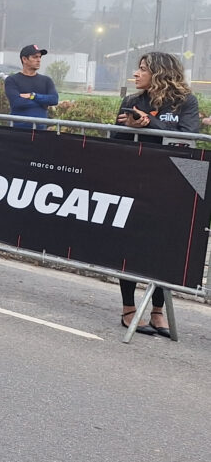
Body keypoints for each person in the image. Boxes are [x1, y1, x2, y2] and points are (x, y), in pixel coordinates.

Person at [112, 52, 199, 338]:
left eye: (142, 69)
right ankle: (128, 308)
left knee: (167, 246)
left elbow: (189, 137)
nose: (136, 74)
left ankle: (158, 311)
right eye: (137, 69)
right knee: (131, 242)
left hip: (173, 182)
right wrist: (127, 127)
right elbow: (115, 141)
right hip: (136, 180)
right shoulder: (131, 102)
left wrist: (150, 125)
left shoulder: (186, 101)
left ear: (160, 73)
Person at [4, 44, 59, 129]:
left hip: (40, 132)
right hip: (18, 131)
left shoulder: (46, 80)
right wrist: (43, 103)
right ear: (24, 59)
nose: (39, 60)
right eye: (35, 57)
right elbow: (17, 102)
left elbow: (54, 99)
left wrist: (33, 96)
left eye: (40, 57)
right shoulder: (12, 80)